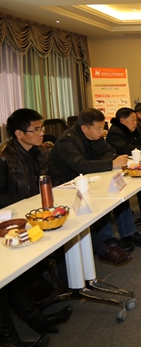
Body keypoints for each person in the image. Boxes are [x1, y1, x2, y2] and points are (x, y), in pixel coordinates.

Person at [0, 109, 74, 346]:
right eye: (37, 129)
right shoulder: (3, 157)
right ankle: (19, 334)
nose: (43, 133)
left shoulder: (41, 151)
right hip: (13, 220)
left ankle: (37, 319)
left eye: (42, 128)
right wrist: (32, 198)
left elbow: (54, 178)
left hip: (40, 214)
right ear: (19, 133)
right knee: (7, 273)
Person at [50, 108, 141, 265]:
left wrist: (107, 161)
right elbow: (80, 165)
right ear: (84, 128)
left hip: (90, 178)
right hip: (68, 186)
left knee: (118, 191)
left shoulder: (94, 136)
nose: (102, 132)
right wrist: (111, 163)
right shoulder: (68, 141)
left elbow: (111, 152)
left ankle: (129, 233)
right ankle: (107, 239)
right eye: (98, 128)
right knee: (101, 197)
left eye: (102, 127)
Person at [106, 107, 141, 228]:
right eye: (132, 119)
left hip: (130, 165)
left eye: (135, 120)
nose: (135, 123)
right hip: (118, 169)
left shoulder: (131, 129)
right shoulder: (116, 132)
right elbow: (126, 149)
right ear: (122, 121)